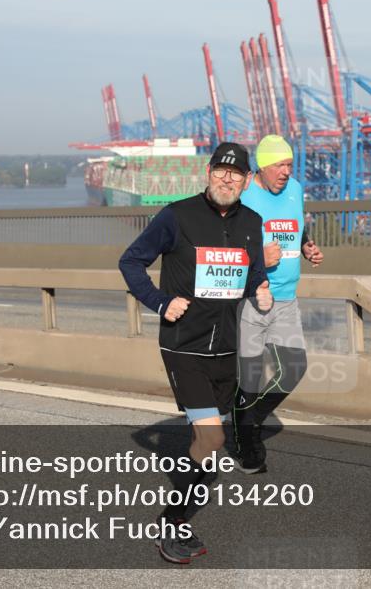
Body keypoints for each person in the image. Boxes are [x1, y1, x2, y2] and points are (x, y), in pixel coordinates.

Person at [118, 141, 273, 564]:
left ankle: (183, 501)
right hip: (183, 345)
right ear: (208, 173)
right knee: (211, 437)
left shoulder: (252, 222)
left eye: (237, 174)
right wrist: (161, 301)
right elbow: (131, 261)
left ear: (245, 181)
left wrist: (259, 288)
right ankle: (172, 525)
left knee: (205, 443)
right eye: (221, 171)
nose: (228, 179)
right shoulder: (176, 216)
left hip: (227, 348)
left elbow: (252, 269)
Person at [233, 134, 324, 474]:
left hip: (286, 298)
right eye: (280, 166)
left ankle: (248, 420)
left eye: (289, 165)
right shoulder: (245, 194)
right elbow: (226, 246)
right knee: (252, 377)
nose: (286, 172)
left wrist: (307, 246)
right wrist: (256, 256)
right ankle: (249, 450)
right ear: (262, 166)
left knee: (294, 368)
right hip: (253, 297)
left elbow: (297, 227)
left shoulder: (295, 189)